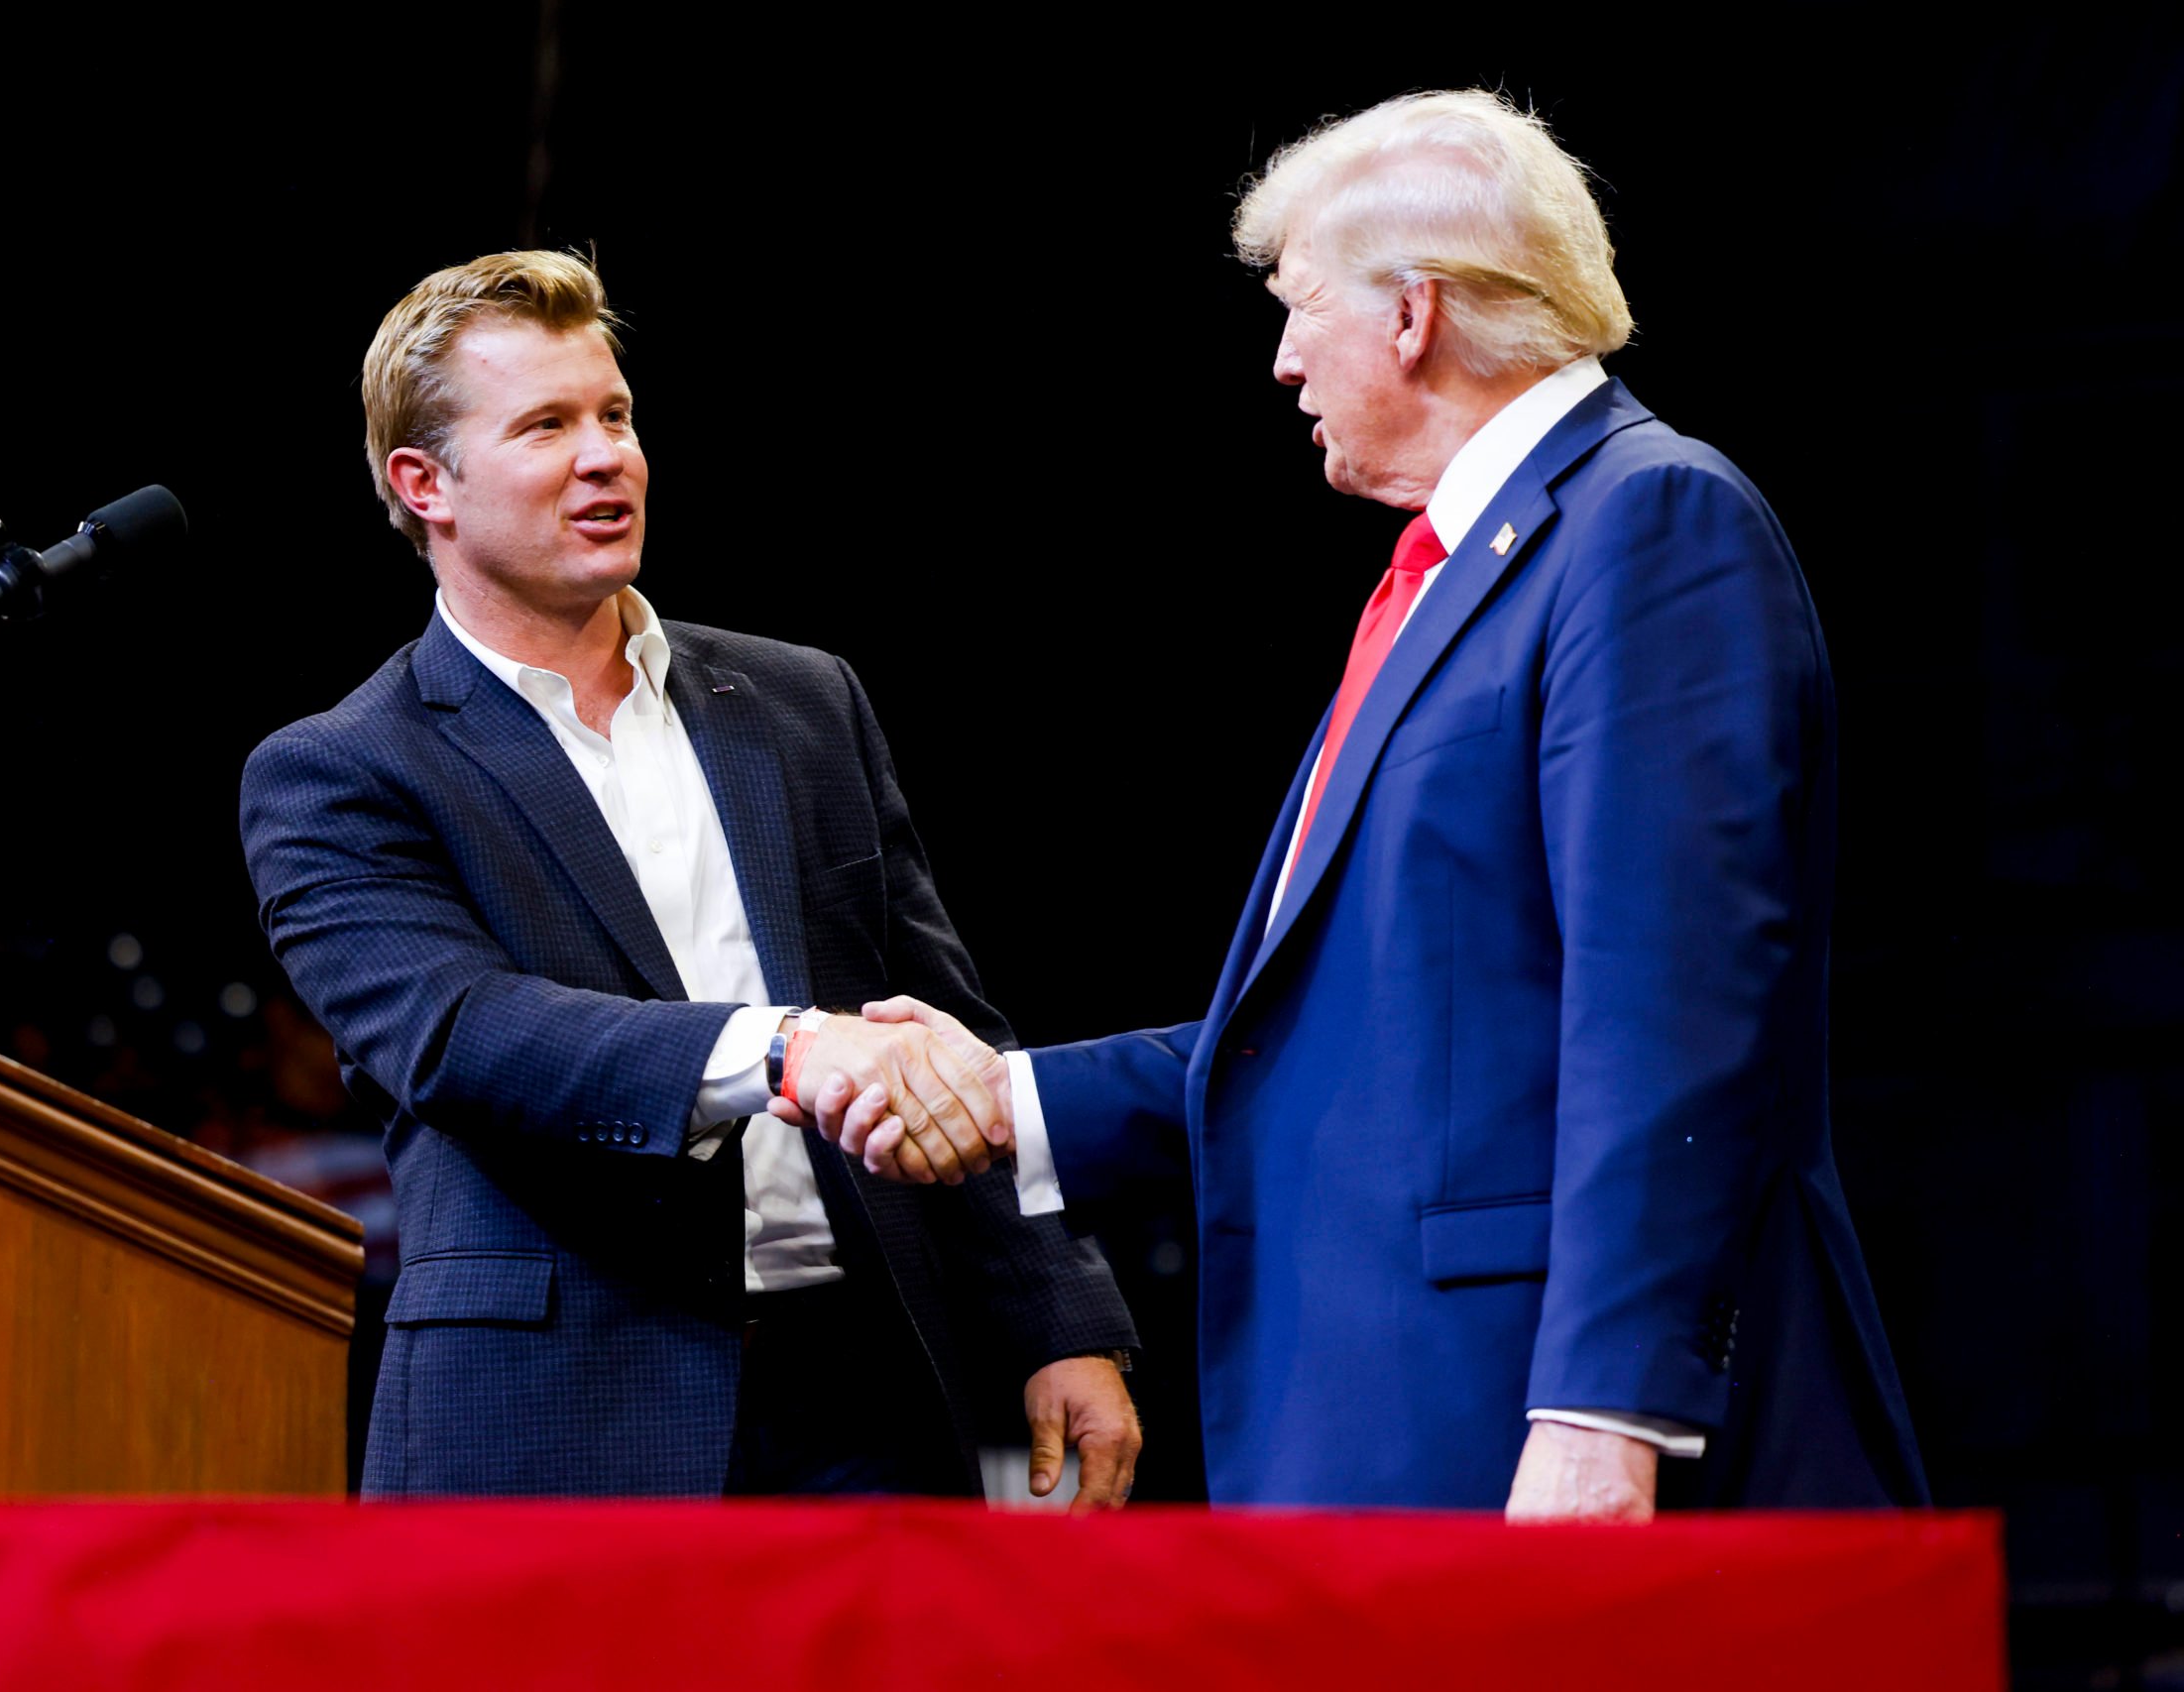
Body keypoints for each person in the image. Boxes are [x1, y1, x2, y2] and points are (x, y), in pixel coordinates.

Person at [817, 91, 1927, 1519]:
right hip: (1399, 1414)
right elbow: (1339, 1032)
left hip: (1536, 1420)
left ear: (1413, 314)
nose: (1283, 361)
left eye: (1299, 307)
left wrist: (1609, 1406)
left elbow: (1674, 1006)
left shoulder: (1648, 524)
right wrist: (1006, 1099)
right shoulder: (1455, 575)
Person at [239, 251, 1139, 1504]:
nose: (606, 454)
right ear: (422, 484)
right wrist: (781, 1051)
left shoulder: (799, 701)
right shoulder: (340, 770)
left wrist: (1057, 1315)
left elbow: (944, 1029)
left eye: (613, 414)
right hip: (554, 1421)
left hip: (869, 1403)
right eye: (546, 425)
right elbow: (462, 1035)